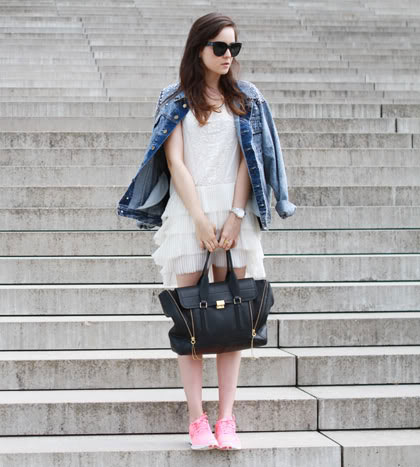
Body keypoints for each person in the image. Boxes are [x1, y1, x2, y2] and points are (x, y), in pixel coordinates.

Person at [151, 12, 269, 451]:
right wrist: (199, 218)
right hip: (190, 213)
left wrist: (236, 215)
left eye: (233, 47)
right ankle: (196, 419)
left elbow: (247, 161)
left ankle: (227, 418)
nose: (227, 55)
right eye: (219, 47)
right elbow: (175, 162)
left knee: (233, 317)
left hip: (235, 211)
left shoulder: (244, 97)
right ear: (198, 48)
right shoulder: (175, 98)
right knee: (192, 320)